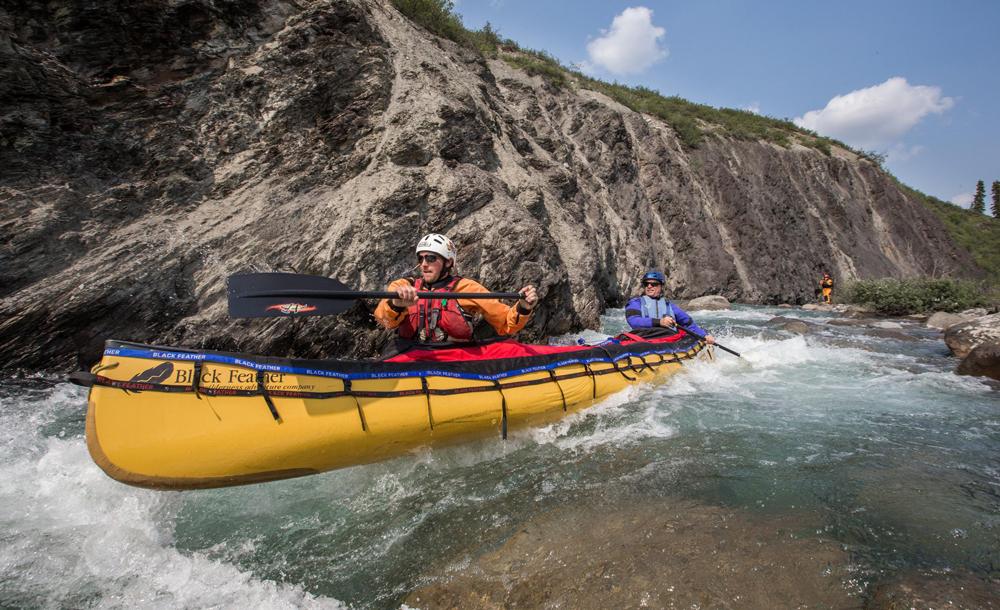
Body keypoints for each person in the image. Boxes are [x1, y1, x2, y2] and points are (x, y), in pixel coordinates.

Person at [374, 233, 538, 343]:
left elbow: (505, 323)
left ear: (448, 262)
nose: (424, 264)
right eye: (421, 258)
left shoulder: (466, 288)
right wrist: (395, 304)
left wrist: (523, 307)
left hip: (455, 360)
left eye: (431, 258)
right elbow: (383, 321)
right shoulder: (403, 287)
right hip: (412, 357)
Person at [624, 270, 715, 344]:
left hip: (668, 339)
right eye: (646, 284)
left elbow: (688, 324)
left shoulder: (669, 306)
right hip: (645, 338)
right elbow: (634, 321)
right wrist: (660, 322)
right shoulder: (635, 303)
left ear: (661, 286)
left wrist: (704, 335)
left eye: (654, 284)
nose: (649, 286)